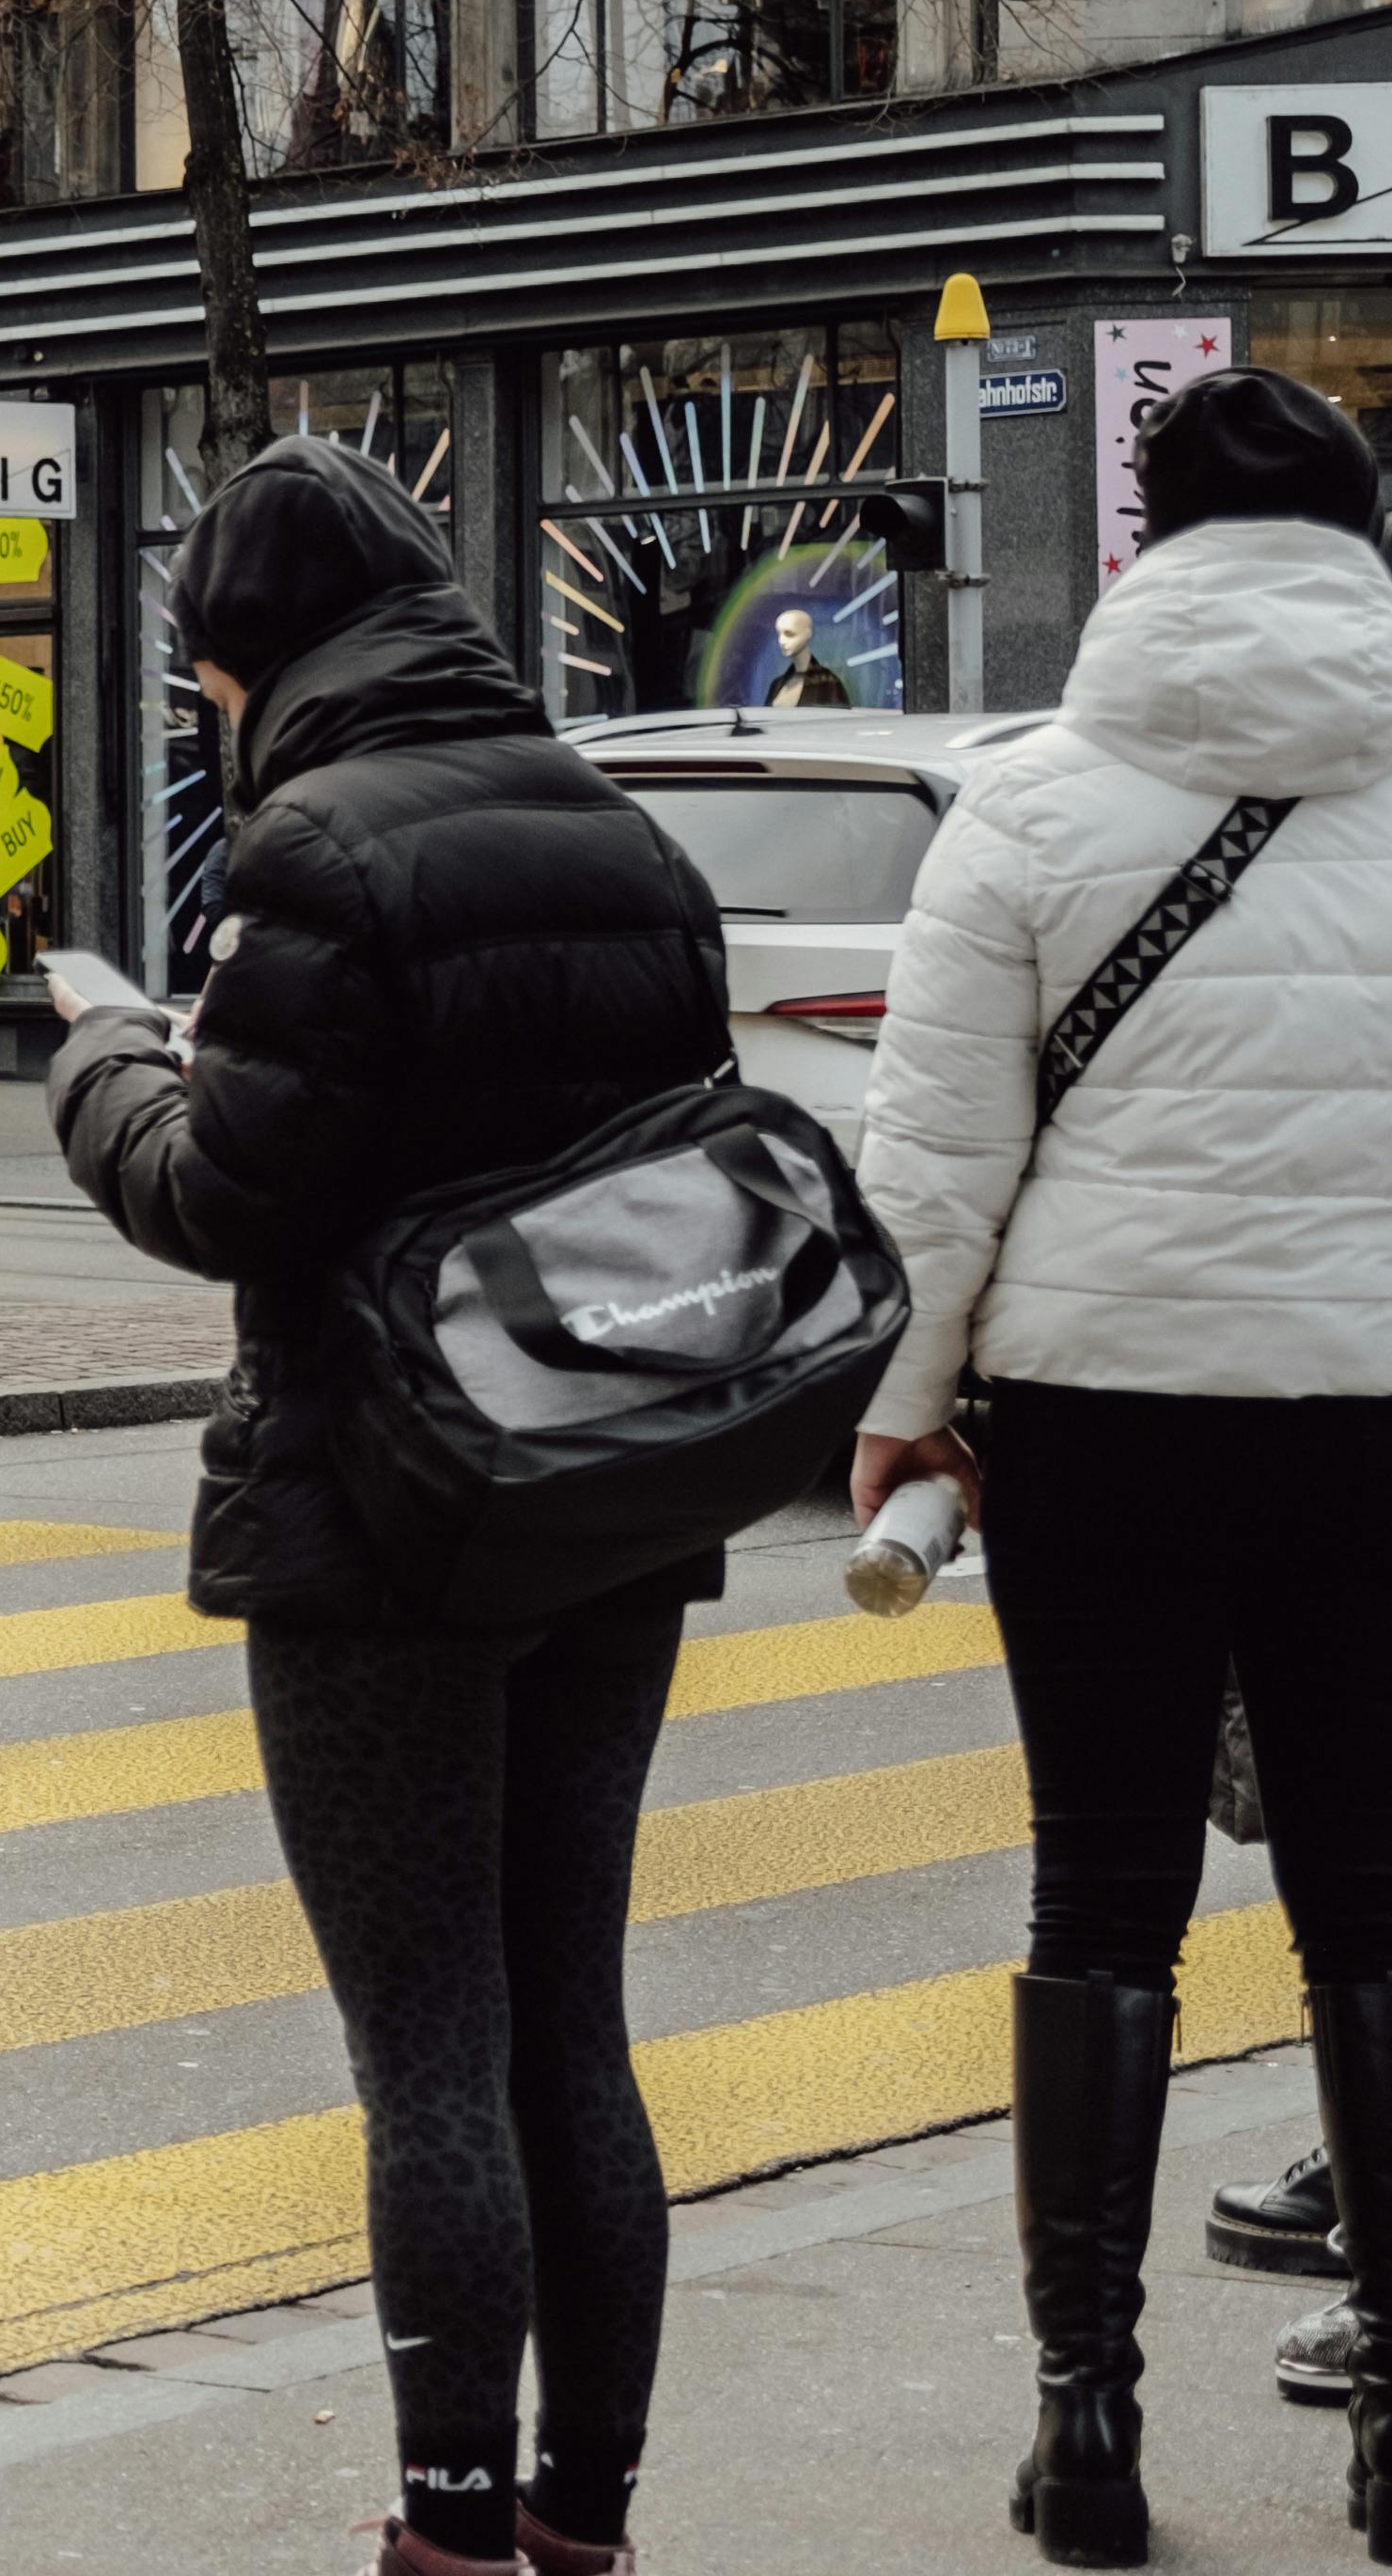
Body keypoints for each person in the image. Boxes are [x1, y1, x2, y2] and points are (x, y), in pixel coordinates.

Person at [46, 436, 729, 2576]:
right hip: (605, 1496)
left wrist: (101, 1059)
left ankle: (439, 2531)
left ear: (241, 654)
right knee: (568, 2027)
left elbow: (224, 1191)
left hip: (380, 1515)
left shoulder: (315, 850)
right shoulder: (625, 834)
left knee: (426, 2043)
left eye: (199, 678)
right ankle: (577, 2517)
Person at [838, 365, 1392, 2568]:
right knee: (1368, 1893)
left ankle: (1085, 2422)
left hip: (1094, 1419)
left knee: (1100, 1891)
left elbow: (935, 1161)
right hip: (1375, 1416)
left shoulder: (1027, 800)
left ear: (1144, 542)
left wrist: (905, 1400)